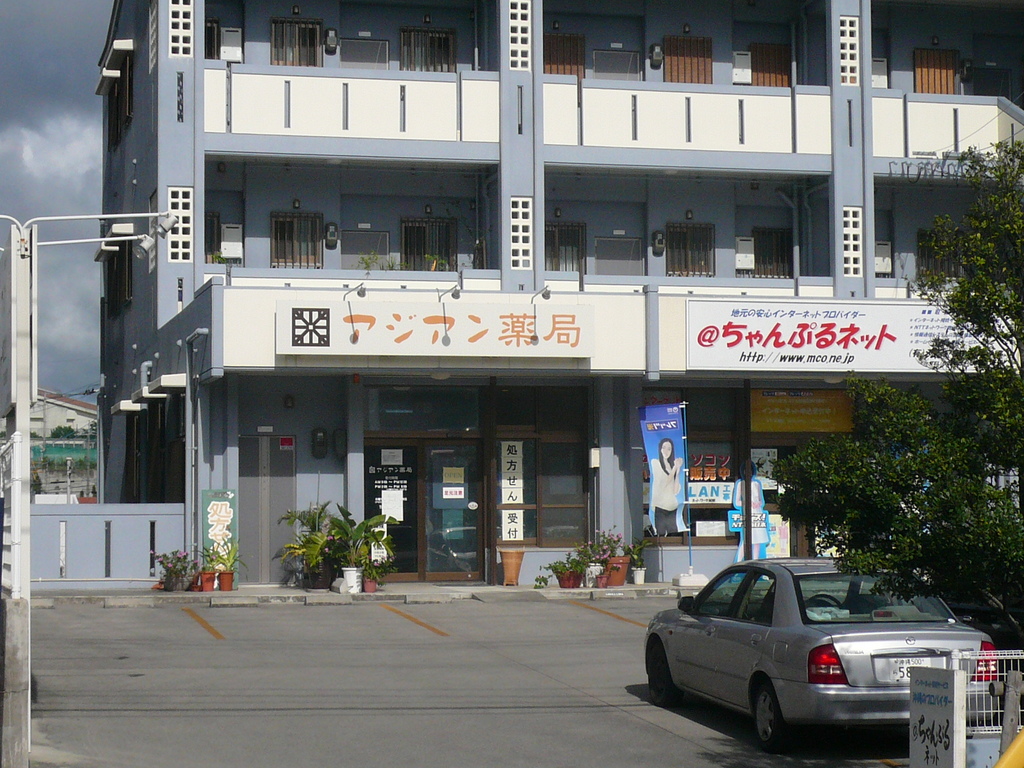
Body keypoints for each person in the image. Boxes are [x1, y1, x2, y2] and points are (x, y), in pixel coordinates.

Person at [649, 437, 683, 535]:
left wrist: (678, 469)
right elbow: (664, 482)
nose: (666, 451)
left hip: (672, 507)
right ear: (660, 449)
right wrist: (675, 468)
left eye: (669, 449)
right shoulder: (655, 462)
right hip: (660, 507)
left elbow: (675, 490)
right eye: (664, 447)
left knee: (673, 535)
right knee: (661, 535)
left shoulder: (671, 466)